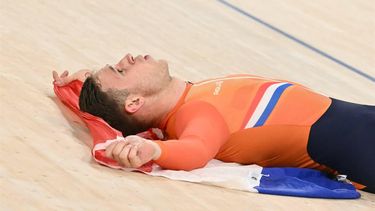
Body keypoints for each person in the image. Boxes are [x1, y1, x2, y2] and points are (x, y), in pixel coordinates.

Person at [53, 53, 375, 193]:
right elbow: (195, 151)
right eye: (122, 71)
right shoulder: (196, 114)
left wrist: (78, 87)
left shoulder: (189, 96)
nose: (127, 58)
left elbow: (112, 106)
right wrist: (153, 149)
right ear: (135, 102)